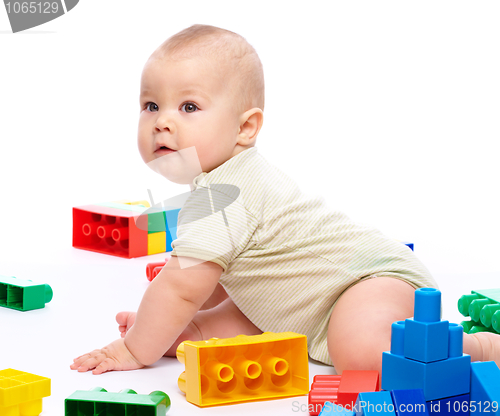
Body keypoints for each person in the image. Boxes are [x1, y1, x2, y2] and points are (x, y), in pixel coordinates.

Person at [70, 24, 500, 376]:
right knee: (227, 320)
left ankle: (477, 347)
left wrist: (134, 348)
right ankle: (191, 333)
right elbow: (215, 279)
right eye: (150, 105)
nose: (162, 122)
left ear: (246, 128)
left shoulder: (224, 193)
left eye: (188, 107)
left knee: (363, 352)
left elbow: (182, 287)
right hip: (306, 300)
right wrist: (166, 326)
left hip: (369, 281)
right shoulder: (220, 186)